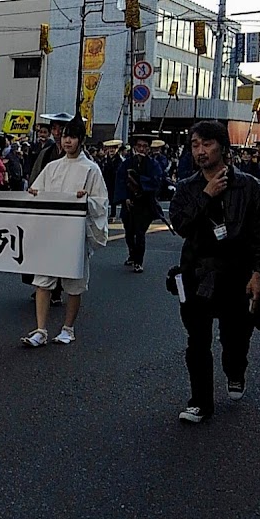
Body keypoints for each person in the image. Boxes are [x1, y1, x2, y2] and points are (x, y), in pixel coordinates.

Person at [170, 120, 260, 423]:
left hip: (236, 273)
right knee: (197, 341)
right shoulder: (189, 187)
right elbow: (180, 225)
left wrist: (258, 274)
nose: (200, 151)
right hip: (197, 272)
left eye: (207, 144)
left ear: (223, 148)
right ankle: (200, 401)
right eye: (195, 145)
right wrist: (206, 195)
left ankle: (235, 370)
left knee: (235, 336)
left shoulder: (250, 187)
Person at [20, 114, 108, 348]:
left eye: (72, 137)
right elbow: (36, 190)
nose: (67, 141)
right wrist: (34, 194)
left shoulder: (91, 169)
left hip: (74, 235)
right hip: (51, 232)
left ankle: (68, 327)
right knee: (42, 281)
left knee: (74, 284)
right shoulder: (52, 167)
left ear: (81, 140)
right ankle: (40, 329)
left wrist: (85, 200)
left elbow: (101, 202)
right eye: (65, 136)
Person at [114, 134, 163, 273]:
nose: (142, 149)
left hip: (145, 203)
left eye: (145, 146)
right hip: (129, 203)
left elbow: (157, 181)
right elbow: (120, 180)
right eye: (139, 146)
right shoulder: (127, 163)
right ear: (135, 147)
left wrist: (138, 179)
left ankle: (138, 261)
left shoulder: (153, 164)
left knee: (140, 233)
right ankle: (132, 254)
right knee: (129, 232)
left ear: (148, 148)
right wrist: (125, 198)